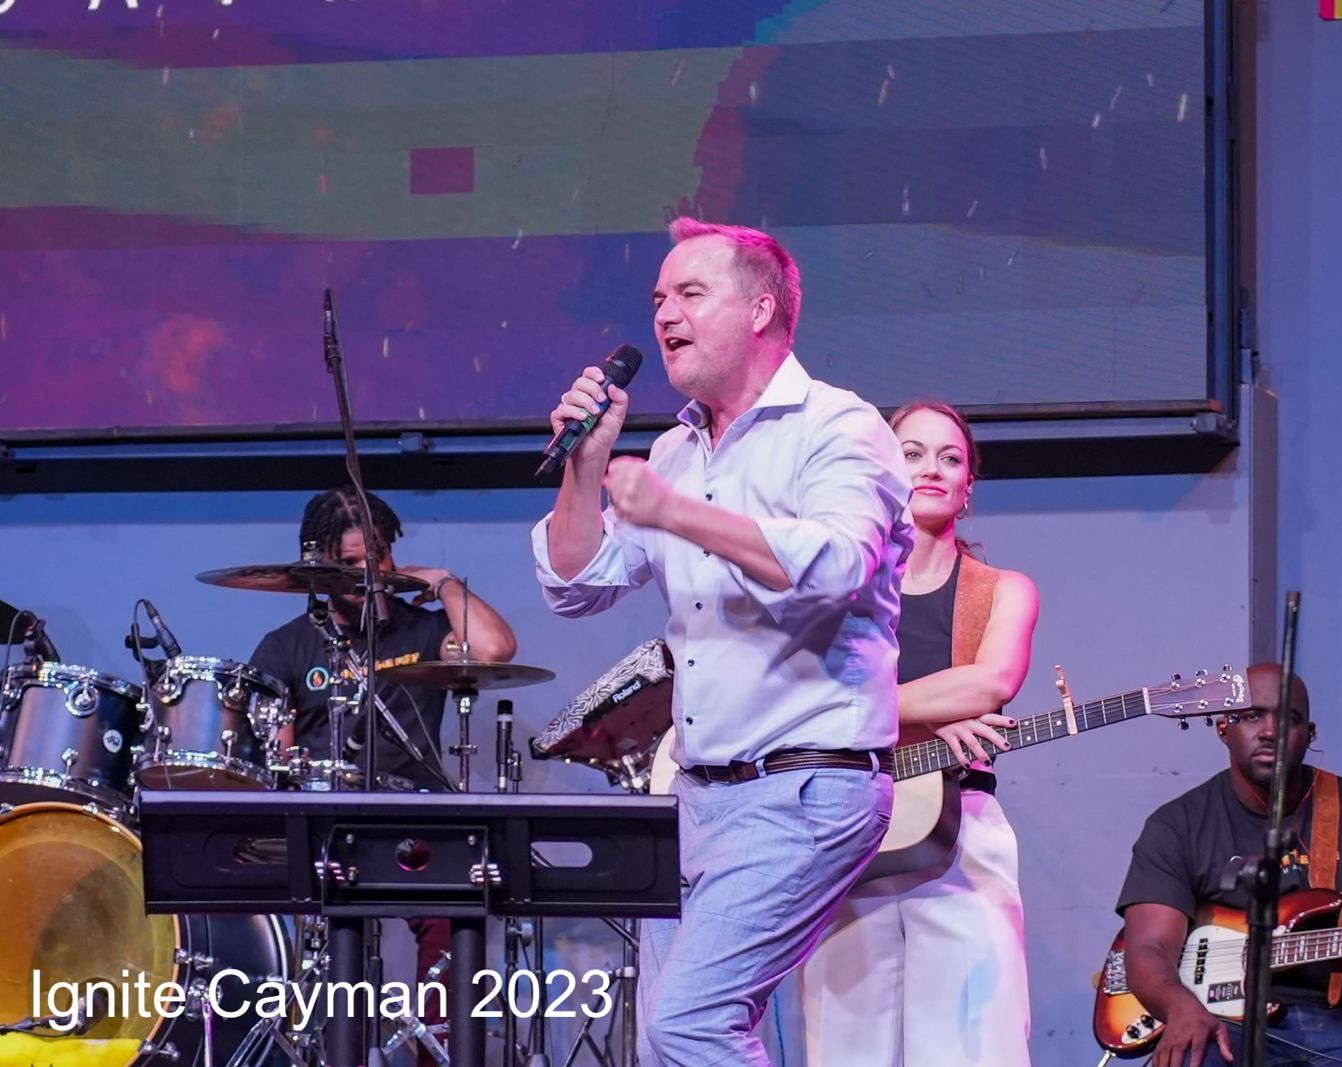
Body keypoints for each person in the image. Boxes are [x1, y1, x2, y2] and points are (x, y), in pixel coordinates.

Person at [531, 218, 913, 1065]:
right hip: (698, 796)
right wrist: (587, 465)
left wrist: (676, 513)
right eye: (658, 298)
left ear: (761, 308)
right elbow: (576, 584)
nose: (664, 313)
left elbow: (836, 564)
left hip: (805, 786)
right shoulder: (675, 448)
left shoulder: (838, 427)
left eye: (690, 293)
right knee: (663, 1042)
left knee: (689, 1026)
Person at [793, 400, 1039, 1065]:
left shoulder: (1003, 589)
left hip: (960, 829)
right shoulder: (833, 591)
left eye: (949, 457)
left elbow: (988, 684)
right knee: (844, 1046)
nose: (931, 468)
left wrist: (852, 710)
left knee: (977, 1043)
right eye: (911, 453)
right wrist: (927, 710)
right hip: (848, 826)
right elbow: (795, 702)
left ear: (967, 488)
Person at [249, 486, 517, 1065]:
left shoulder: (422, 631)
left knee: (452, 910)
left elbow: (494, 648)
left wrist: (443, 582)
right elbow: (276, 759)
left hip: (411, 815)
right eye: (351, 564)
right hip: (324, 822)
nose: (369, 575)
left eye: (379, 557)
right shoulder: (285, 648)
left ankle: (436, 1055)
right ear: (319, 565)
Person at [1115, 663, 1342, 1067]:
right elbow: (1149, 947)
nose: (1270, 731)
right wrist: (1180, 1007)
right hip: (1220, 1022)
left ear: (1310, 734)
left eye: (1289, 719)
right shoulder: (1178, 823)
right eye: (1252, 715)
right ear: (1223, 729)